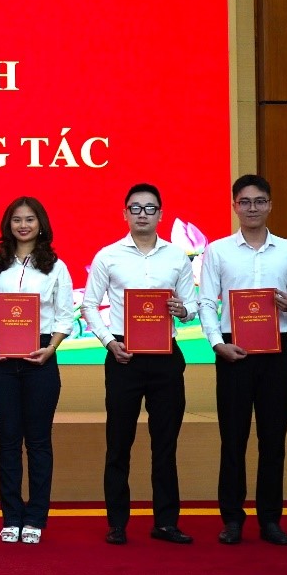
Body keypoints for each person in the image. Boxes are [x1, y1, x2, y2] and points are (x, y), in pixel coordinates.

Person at [199, 174, 287, 546]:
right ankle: (232, 519)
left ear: (270, 205)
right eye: (245, 202)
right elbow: (206, 302)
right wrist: (217, 344)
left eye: (259, 201)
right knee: (233, 439)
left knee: (273, 440)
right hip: (233, 352)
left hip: (277, 353)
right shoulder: (218, 251)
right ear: (234, 206)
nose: (252, 208)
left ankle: (270, 520)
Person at [82, 182, 196, 546]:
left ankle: (166, 523)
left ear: (160, 214)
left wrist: (183, 310)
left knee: (165, 445)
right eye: (135, 208)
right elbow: (88, 305)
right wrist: (108, 342)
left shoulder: (177, 257)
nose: (142, 214)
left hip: (166, 359)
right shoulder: (108, 256)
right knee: (119, 444)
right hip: (123, 357)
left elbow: (192, 307)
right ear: (125, 213)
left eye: (150, 208)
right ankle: (117, 523)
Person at [0, 197, 75, 545]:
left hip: (40, 358)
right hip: (1, 360)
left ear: (40, 224)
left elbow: (65, 315)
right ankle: (12, 516)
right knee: (7, 441)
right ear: (8, 224)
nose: (23, 225)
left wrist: (52, 348)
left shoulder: (56, 266)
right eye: (17, 219)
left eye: (29, 219)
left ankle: (35, 517)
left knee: (38, 441)